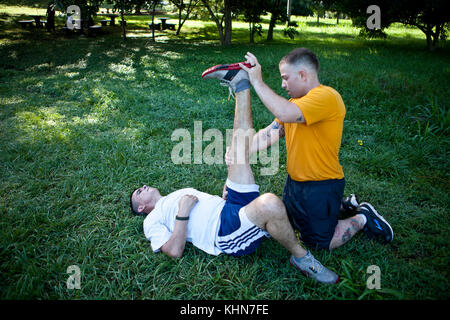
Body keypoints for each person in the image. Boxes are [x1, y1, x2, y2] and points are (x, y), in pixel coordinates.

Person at [130, 63, 339, 284]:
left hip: (228, 206)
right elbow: (173, 251)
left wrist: (228, 186)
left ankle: (240, 83)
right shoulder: (151, 219)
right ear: (141, 207)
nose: (142, 187)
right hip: (225, 232)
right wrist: (182, 213)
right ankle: (301, 258)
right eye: (138, 193)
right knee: (269, 203)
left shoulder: (172, 195)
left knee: (239, 151)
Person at [225, 48, 394, 251]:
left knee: (318, 243)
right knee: (288, 222)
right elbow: (270, 133)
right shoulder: (296, 104)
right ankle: (343, 206)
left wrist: (257, 82)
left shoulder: (327, 97)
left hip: (322, 185)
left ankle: (363, 217)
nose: (283, 84)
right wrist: (240, 152)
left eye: (285, 78)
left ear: (303, 75)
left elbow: (285, 114)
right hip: (295, 183)